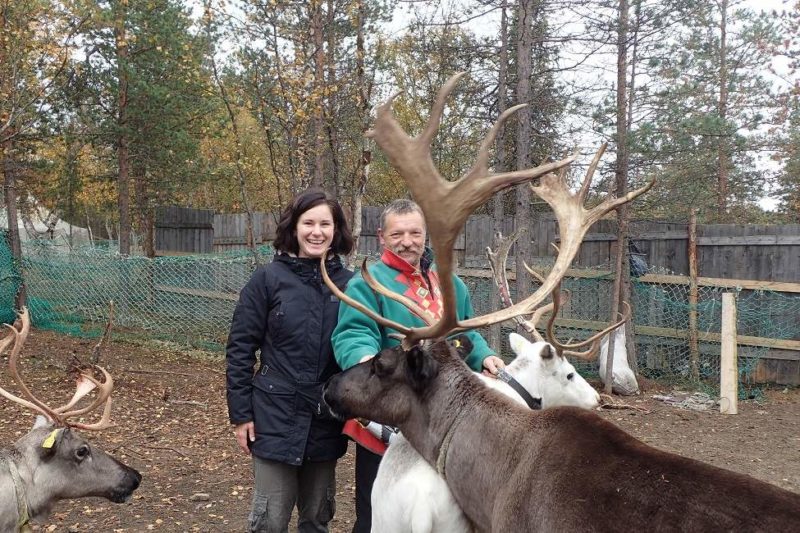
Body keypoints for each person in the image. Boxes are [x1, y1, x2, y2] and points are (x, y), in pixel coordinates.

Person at [331, 198, 505, 533]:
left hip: (447, 418)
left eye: (415, 232)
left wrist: (484, 356)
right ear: (382, 237)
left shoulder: (449, 282)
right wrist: (364, 359)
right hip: (390, 412)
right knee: (377, 514)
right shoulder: (367, 282)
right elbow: (352, 333)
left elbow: (465, 332)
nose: (407, 241)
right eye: (398, 234)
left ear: (426, 235)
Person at [226, 188, 354, 533]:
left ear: (336, 230)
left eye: (325, 224)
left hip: (325, 419)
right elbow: (240, 349)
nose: (317, 232)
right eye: (308, 222)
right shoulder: (267, 280)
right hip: (274, 416)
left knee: (316, 517)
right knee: (270, 519)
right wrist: (241, 415)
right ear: (294, 228)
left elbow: (359, 351)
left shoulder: (350, 286)